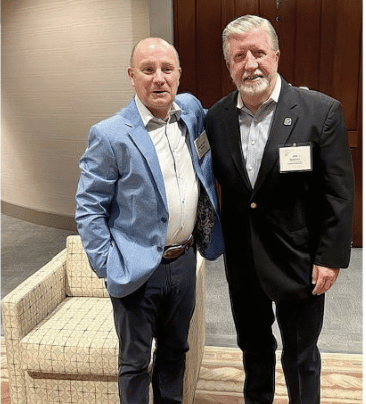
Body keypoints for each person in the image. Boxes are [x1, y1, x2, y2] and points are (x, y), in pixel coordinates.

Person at [205, 15, 354, 404]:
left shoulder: (320, 112)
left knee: (301, 356)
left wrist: (329, 257)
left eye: (258, 52)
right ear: (229, 65)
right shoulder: (216, 119)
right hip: (243, 264)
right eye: (240, 55)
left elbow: (338, 192)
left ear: (276, 55)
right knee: (254, 352)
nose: (250, 63)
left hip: (299, 261)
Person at [75, 37, 224, 404]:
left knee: (175, 353)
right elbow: (88, 206)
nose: (159, 79)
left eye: (167, 70)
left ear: (178, 75)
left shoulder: (190, 111)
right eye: (148, 70)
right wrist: (108, 264)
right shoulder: (109, 135)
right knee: (135, 363)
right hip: (137, 268)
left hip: (185, 262)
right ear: (131, 76)